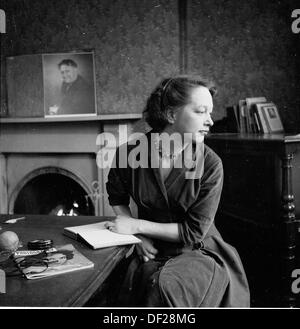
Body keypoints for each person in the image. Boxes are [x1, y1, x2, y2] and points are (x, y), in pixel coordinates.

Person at [105, 75, 250, 307]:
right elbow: (116, 196)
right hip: (151, 248)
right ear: (171, 115)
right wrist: (137, 237)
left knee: (167, 289)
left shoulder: (210, 164)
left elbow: (193, 233)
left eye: (209, 113)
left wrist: (136, 227)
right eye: (201, 111)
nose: (210, 121)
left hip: (198, 251)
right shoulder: (128, 154)